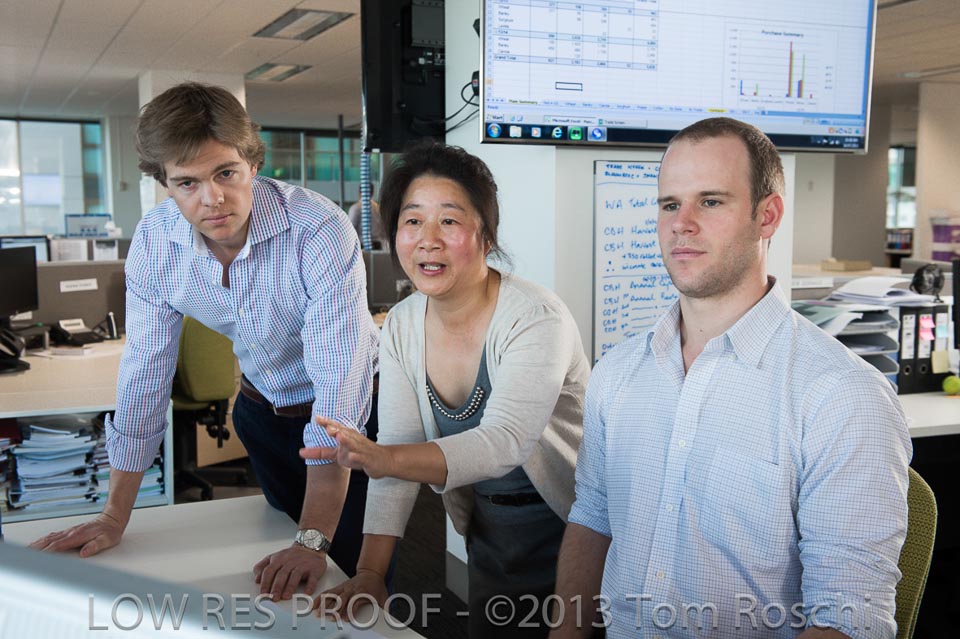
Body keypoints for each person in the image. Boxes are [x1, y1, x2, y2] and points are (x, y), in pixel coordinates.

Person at [551, 118, 912, 639]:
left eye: (711, 201)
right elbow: (594, 515)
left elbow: (848, 618)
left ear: (767, 216)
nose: (682, 223)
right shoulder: (618, 372)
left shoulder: (843, 397)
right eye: (670, 205)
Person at [29, 82, 381, 602]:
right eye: (187, 183)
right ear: (164, 184)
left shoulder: (317, 230)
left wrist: (312, 540)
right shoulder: (157, 243)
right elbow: (145, 375)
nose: (211, 199)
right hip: (262, 411)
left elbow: (338, 388)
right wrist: (113, 516)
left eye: (225, 173)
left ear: (253, 164)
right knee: (283, 564)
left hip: (354, 416)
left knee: (354, 575)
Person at [301, 142, 591, 638]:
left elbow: (503, 443)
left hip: (574, 528)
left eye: (449, 221)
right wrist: (370, 573)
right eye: (412, 221)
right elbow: (396, 450)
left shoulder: (536, 317)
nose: (427, 241)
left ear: (486, 235)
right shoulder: (401, 324)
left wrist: (384, 458)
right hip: (488, 530)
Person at [348, 182, 389, 249]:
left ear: (359, 192)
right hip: (378, 245)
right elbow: (383, 231)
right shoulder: (378, 209)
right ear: (372, 193)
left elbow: (350, 230)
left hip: (361, 245)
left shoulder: (356, 208)